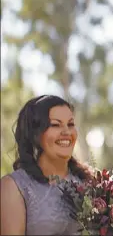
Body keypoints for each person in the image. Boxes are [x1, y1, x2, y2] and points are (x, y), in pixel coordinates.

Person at [1, 95, 93, 235]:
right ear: (35, 134)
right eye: (55, 125)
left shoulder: (91, 181)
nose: (66, 132)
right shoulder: (14, 186)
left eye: (70, 124)